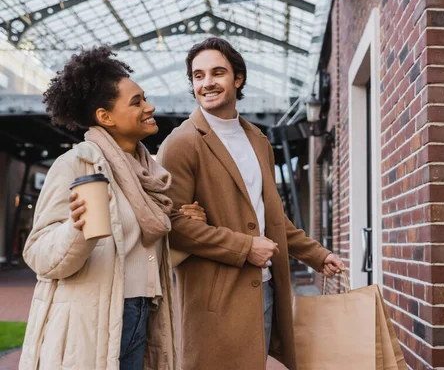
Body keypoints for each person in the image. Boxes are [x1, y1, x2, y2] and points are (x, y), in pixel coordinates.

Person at [156, 37, 345, 370]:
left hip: (266, 289)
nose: (207, 83)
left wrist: (318, 255)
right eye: (198, 76)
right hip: (216, 299)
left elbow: (271, 217)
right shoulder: (181, 143)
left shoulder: (258, 140)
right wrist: (246, 248)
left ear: (237, 78)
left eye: (217, 73)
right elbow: (173, 225)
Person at [18, 46, 205, 370]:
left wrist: (188, 230)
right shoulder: (75, 164)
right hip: (93, 320)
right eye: (137, 102)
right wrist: (77, 228)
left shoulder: (148, 173)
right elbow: (39, 255)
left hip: (145, 313)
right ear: (105, 117)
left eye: (144, 98)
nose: (150, 107)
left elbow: (140, 254)